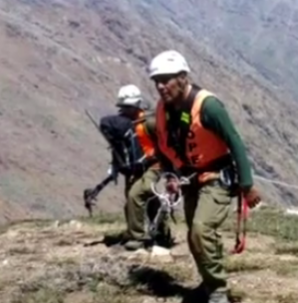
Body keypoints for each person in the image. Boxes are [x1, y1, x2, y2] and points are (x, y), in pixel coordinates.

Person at [147, 50, 261, 303]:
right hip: (189, 179)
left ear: (183, 78)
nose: (160, 86)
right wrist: (171, 176)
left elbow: (235, 142)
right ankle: (209, 284)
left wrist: (247, 185)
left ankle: (218, 290)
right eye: (157, 81)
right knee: (194, 235)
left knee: (201, 229)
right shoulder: (164, 110)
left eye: (166, 79)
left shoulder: (208, 107)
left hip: (217, 177)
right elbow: (165, 145)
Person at [100, 84, 171, 251]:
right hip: (136, 167)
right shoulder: (123, 125)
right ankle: (160, 233)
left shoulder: (150, 122)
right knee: (145, 198)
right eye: (123, 107)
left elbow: (166, 142)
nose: (125, 110)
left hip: (155, 164)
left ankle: (137, 237)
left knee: (135, 195)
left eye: (128, 107)